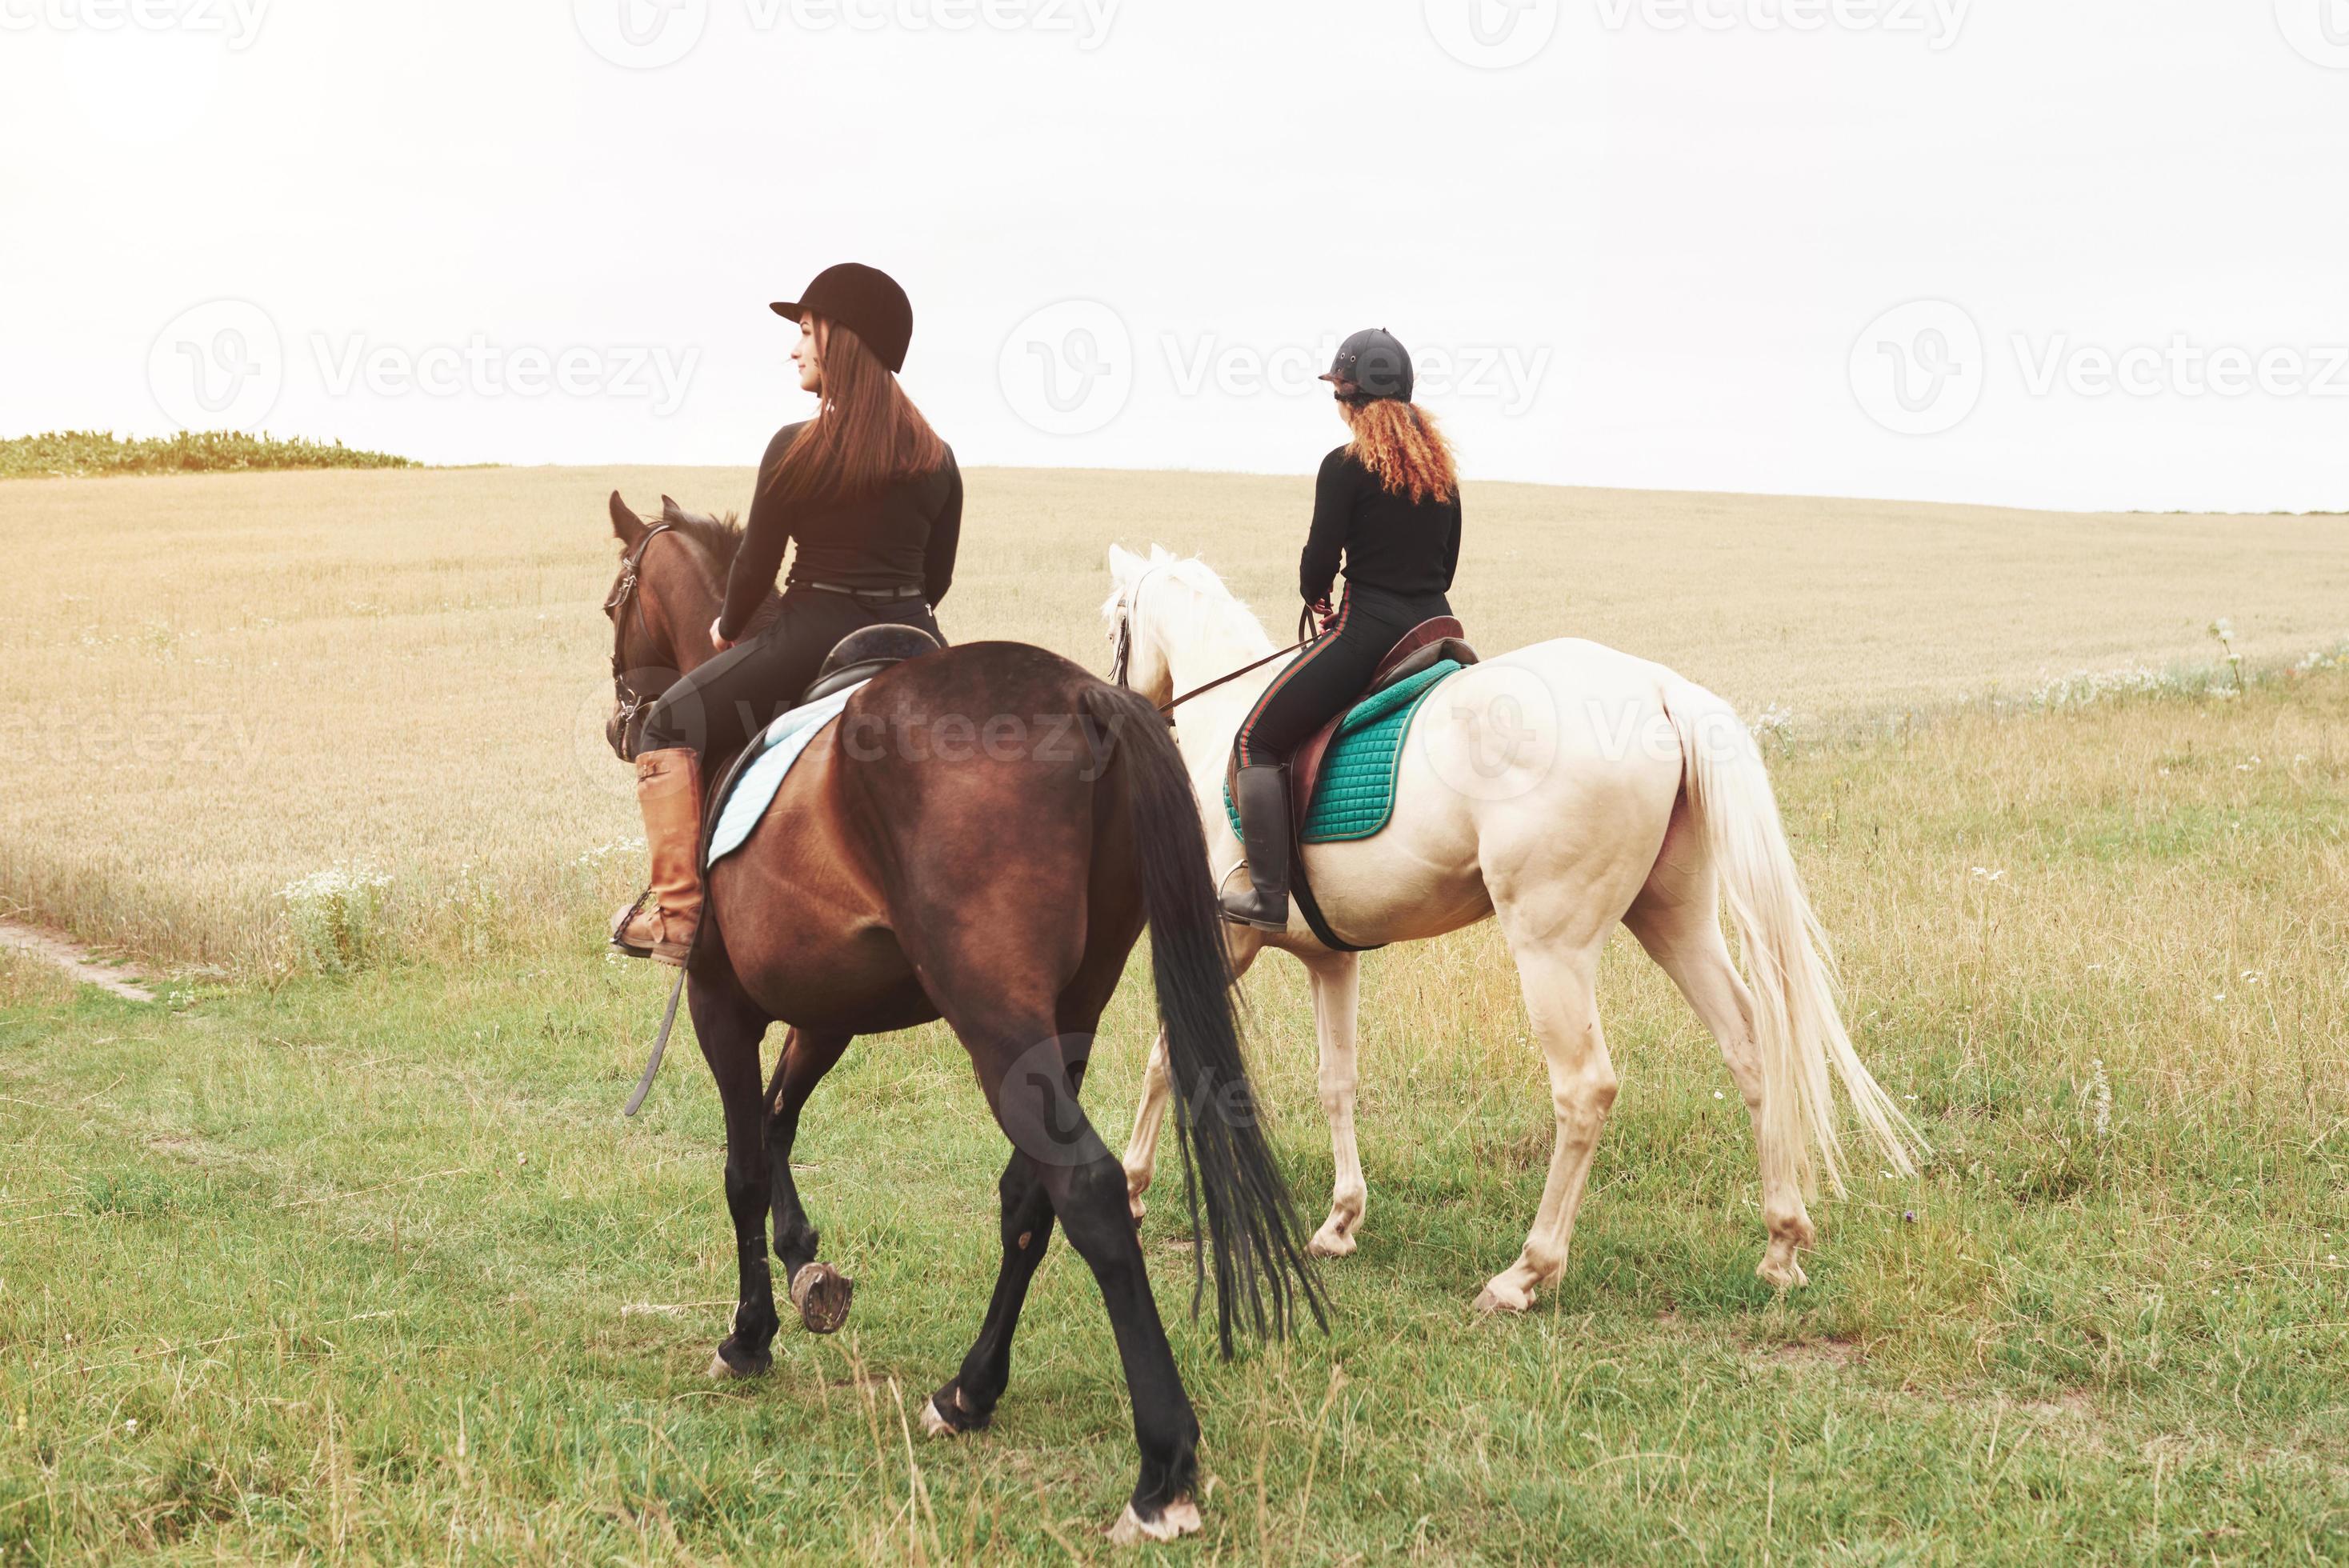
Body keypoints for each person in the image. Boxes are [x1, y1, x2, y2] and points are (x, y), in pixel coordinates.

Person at [612, 262, 961, 965]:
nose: (795, 348)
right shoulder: (939, 458)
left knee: (665, 722)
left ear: (844, 340)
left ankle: (677, 918)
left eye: (805, 331)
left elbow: (755, 568)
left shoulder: (793, 447)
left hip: (813, 635)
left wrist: (727, 624)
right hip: (919, 638)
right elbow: (937, 578)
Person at [1221, 326, 1463, 930]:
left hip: (1370, 632)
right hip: (1436, 630)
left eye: (1338, 396)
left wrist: (1315, 596)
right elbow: (1448, 564)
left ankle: (1269, 896)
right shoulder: (1442, 474)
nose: (1337, 409)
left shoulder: (1345, 467)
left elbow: (1318, 563)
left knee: (1255, 738)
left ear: (1354, 401)